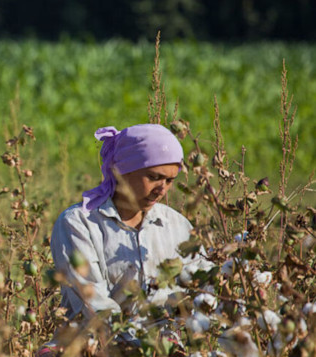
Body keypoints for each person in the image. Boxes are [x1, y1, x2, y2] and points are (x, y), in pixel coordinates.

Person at [50, 124, 208, 319]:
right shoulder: (79, 223)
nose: (162, 189)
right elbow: (93, 303)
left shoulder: (177, 225)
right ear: (121, 171)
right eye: (154, 177)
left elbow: (204, 285)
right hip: (95, 344)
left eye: (169, 181)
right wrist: (136, 343)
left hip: (166, 344)